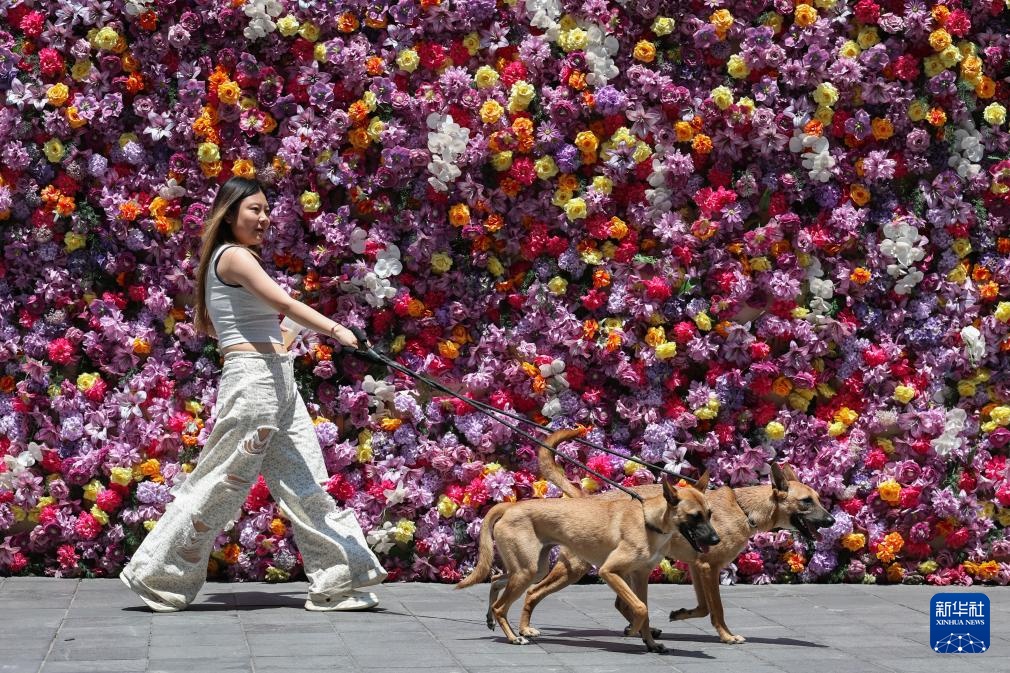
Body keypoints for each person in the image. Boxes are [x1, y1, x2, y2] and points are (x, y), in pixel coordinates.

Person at [120, 176, 388, 612]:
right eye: (254, 210)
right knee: (220, 480)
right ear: (230, 214)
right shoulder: (233, 257)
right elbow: (284, 305)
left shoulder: (243, 260)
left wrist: (295, 332)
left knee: (305, 485)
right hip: (253, 383)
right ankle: (156, 576)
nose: (264, 218)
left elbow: (277, 329)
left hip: (276, 377)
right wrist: (337, 329)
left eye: (266, 210)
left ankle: (335, 582)